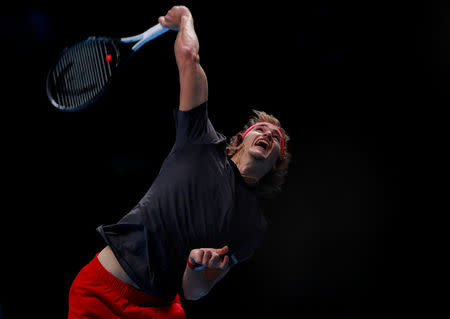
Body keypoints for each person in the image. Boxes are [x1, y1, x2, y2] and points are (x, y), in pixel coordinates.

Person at [68, 5, 291, 319]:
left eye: (276, 139)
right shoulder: (200, 139)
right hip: (100, 292)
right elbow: (189, 56)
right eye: (262, 128)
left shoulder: (252, 226)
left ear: (275, 164)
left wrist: (196, 265)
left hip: (158, 310)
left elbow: (194, 290)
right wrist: (185, 17)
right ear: (240, 139)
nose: (269, 133)